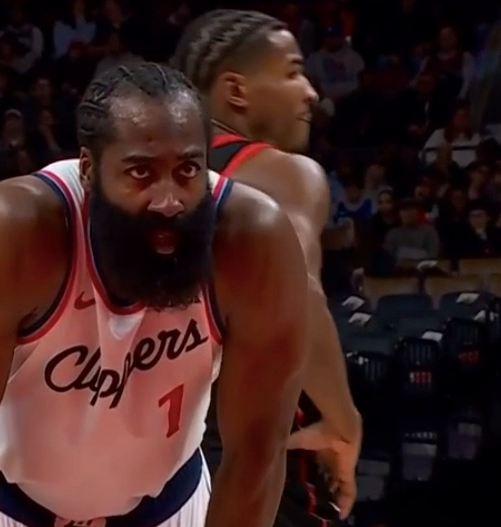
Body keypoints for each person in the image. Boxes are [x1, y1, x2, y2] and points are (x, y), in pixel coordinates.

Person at [0, 62, 310, 527]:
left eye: (187, 169)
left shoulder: (251, 242)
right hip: (6, 506)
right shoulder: (14, 233)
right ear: (89, 170)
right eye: (141, 172)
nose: (169, 199)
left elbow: (258, 449)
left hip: (167, 506)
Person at [172, 9, 360, 525]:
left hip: (131, 459)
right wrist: (344, 421)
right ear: (236, 91)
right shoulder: (278, 173)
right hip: (241, 453)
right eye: (293, 72)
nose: (311, 93)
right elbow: (296, 291)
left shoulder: (128, 181)